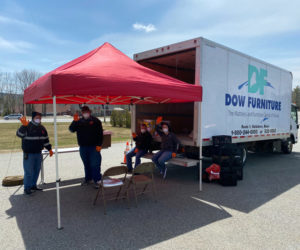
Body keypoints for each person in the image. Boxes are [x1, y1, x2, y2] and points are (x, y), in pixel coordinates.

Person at [16, 112, 53, 195]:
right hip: (29, 154)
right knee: (29, 172)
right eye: (37, 117)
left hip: (38, 153)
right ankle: (27, 188)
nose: (38, 119)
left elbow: (46, 140)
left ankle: (33, 185)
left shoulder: (42, 128)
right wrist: (23, 126)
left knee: (36, 171)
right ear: (33, 118)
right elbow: (19, 134)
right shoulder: (27, 125)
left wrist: (49, 149)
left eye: (40, 117)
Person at [69, 106, 103, 188]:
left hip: (94, 147)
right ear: (82, 113)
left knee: (95, 164)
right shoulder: (79, 121)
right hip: (83, 147)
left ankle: (97, 180)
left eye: (87, 112)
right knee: (86, 164)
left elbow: (100, 134)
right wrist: (74, 121)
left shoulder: (96, 121)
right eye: (84, 112)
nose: (85, 113)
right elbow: (71, 130)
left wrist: (99, 145)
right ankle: (88, 179)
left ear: (90, 112)